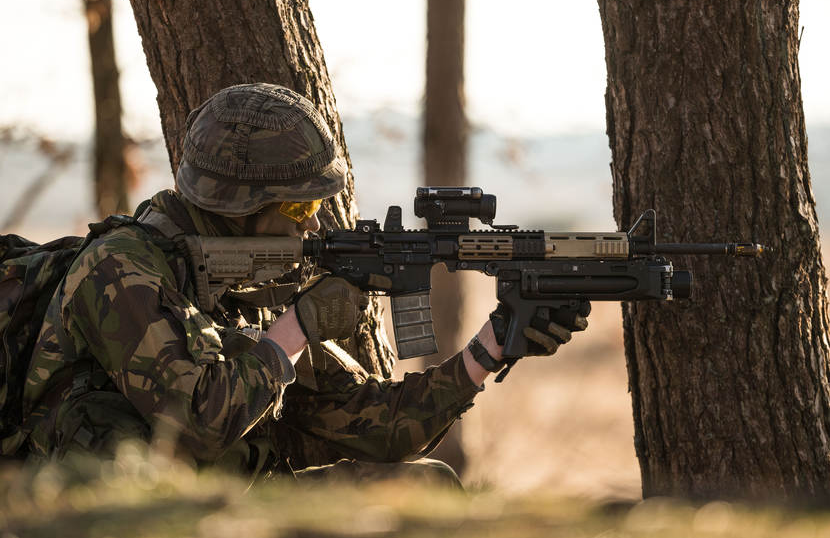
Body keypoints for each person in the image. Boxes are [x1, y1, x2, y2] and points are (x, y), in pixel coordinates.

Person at [21, 84, 589, 484]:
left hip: (228, 500)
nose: (313, 222)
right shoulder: (119, 271)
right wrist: (295, 330)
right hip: (128, 512)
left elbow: (376, 425)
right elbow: (196, 422)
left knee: (427, 484)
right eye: (299, 204)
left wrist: (489, 349)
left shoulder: (243, 286)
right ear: (238, 207)